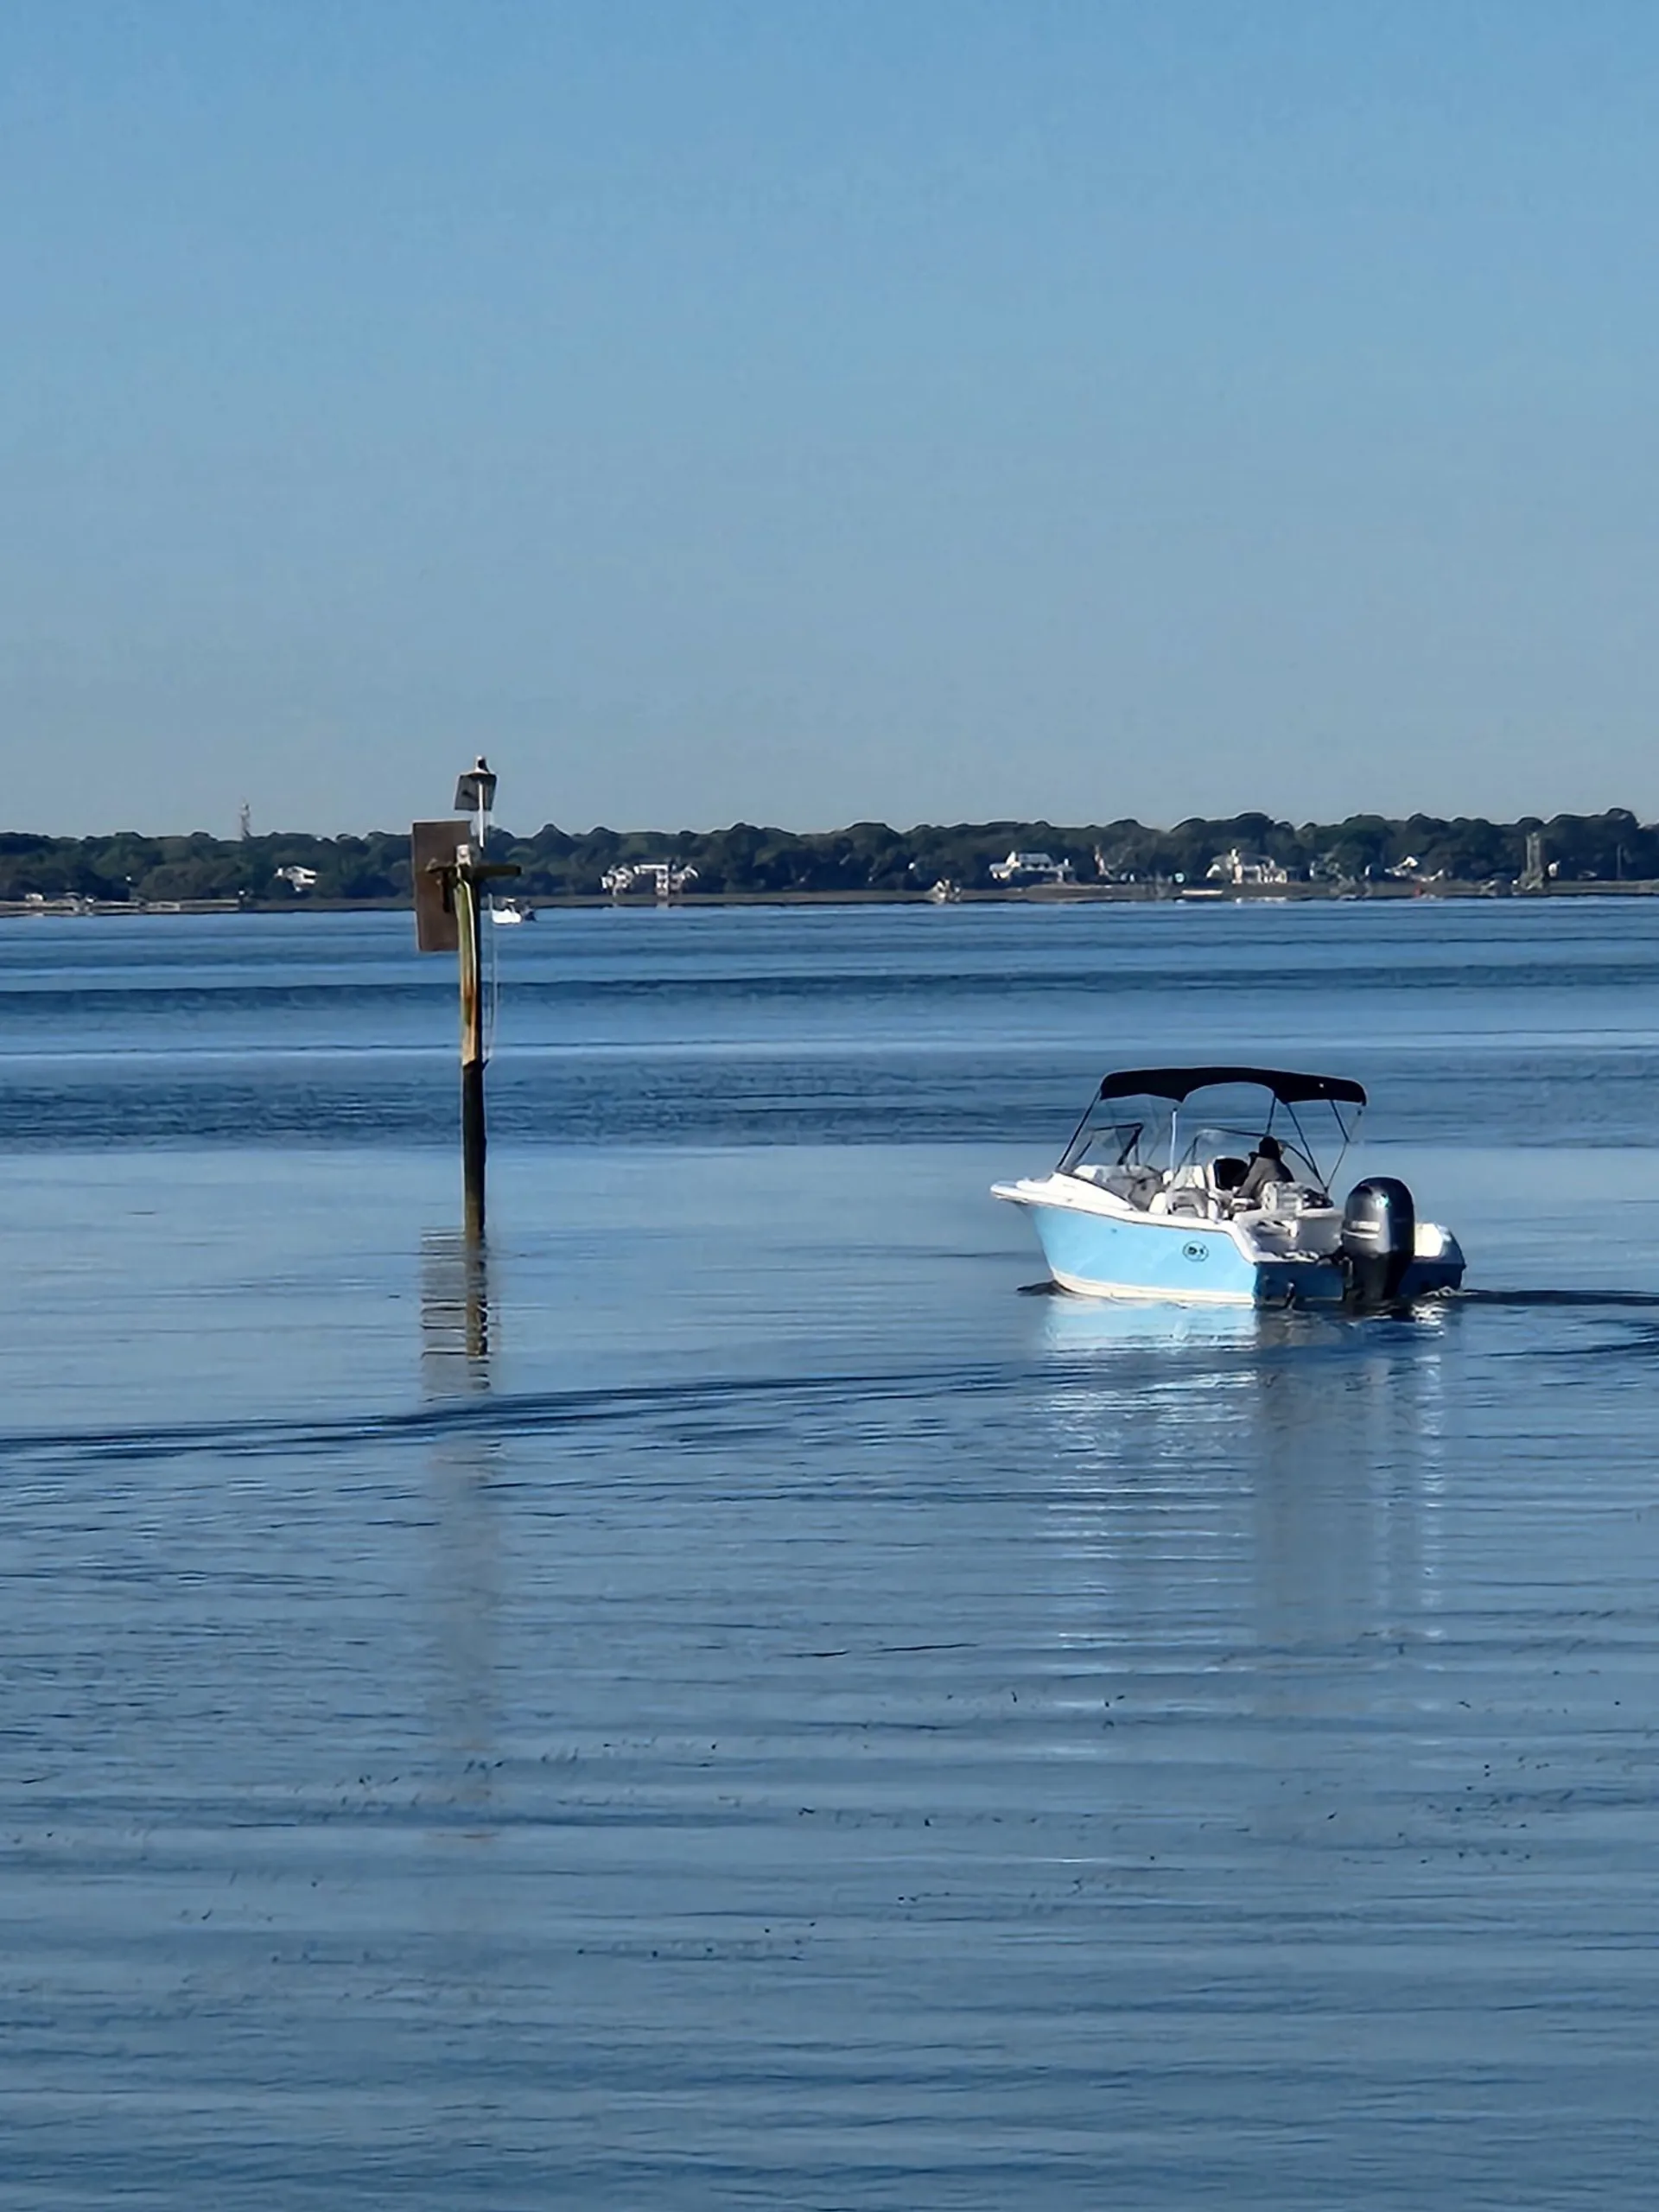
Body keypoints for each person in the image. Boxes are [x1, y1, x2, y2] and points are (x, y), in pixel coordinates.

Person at [1234, 1135, 1294, 1210]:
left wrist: (1237, 1196)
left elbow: (1249, 1186)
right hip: (1285, 1202)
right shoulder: (1280, 1166)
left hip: (1265, 1203)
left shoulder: (1260, 1165)